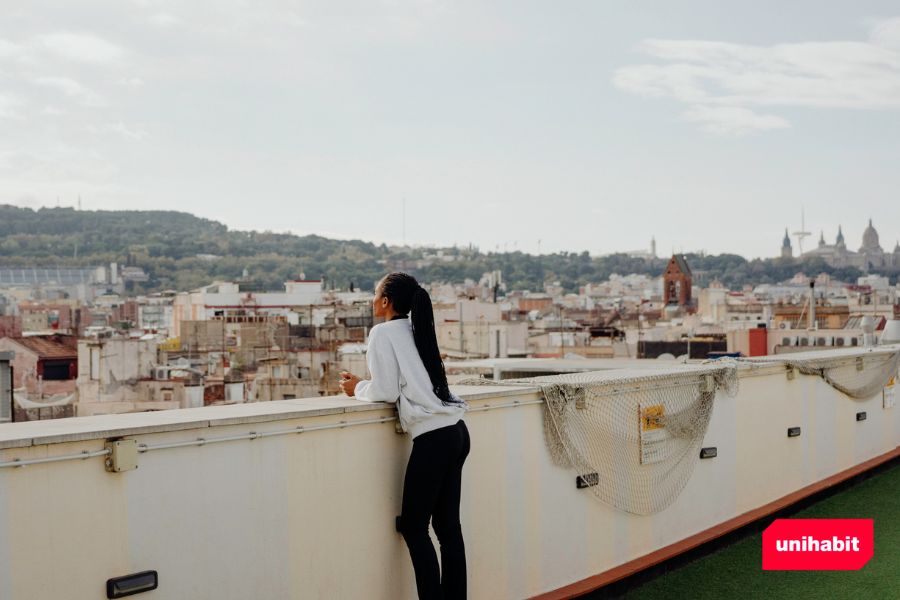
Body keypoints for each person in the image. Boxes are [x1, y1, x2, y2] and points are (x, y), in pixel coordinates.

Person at [339, 272, 470, 600]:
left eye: (374, 293)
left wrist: (356, 388)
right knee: (448, 530)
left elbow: (384, 389)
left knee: (414, 527)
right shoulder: (418, 328)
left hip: (433, 438)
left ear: (385, 301)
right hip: (456, 431)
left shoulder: (382, 333)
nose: (371, 299)